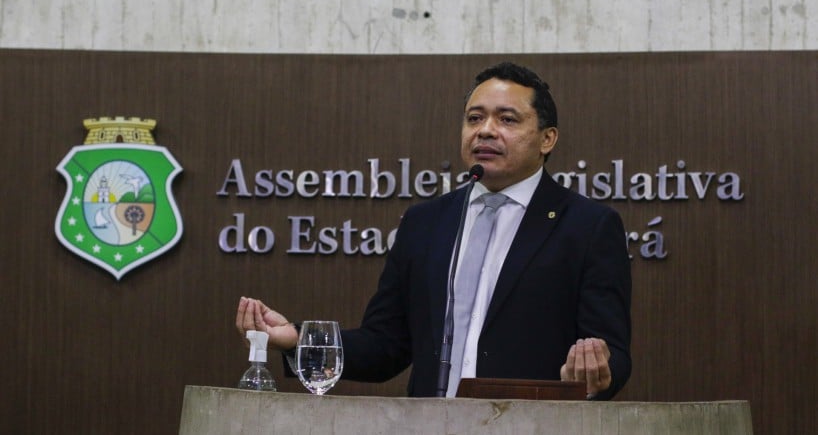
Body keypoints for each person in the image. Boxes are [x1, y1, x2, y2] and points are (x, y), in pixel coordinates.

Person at [236, 62, 632, 400]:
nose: (486, 131)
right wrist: (297, 338)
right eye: (474, 118)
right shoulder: (427, 223)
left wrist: (594, 373)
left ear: (548, 139)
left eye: (507, 119)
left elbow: (613, 354)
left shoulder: (586, 226)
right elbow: (385, 346)